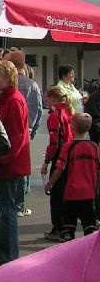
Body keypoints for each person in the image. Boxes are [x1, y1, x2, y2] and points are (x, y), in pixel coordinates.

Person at [0, 60, 30, 265]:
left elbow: (18, 136)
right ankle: (1, 250)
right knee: (3, 208)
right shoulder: (7, 98)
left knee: (7, 210)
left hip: (10, 163)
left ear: (8, 77)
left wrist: (5, 159)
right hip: (7, 161)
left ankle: (8, 254)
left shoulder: (13, 100)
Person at [45, 113, 98, 240]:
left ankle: (70, 246)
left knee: (68, 228)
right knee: (89, 227)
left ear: (72, 127)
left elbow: (59, 169)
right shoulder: (94, 147)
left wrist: (50, 183)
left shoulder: (68, 147)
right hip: (89, 194)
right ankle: (89, 250)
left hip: (71, 194)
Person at [40, 85, 75, 242]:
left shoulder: (55, 116)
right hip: (70, 156)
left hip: (60, 157)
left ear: (53, 99)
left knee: (56, 195)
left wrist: (47, 161)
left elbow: (54, 143)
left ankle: (58, 229)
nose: (45, 101)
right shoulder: (68, 111)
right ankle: (66, 228)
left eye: (46, 98)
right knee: (65, 195)